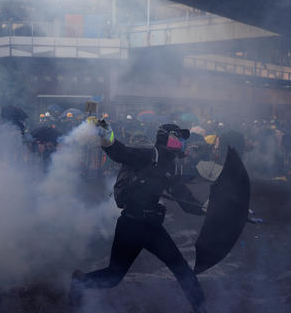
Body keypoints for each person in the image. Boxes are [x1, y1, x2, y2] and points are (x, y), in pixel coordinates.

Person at [70, 122, 207, 312]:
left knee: (181, 268)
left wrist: (204, 208)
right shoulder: (149, 155)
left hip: (152, 227)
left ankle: (201, 308)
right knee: (114, 276)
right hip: (131, 225)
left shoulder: (171, 165)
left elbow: (183, 197)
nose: (183, 142)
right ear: (169, 137)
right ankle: (80, 282)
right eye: (179, 137)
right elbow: (121, 153)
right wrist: (107, 137)